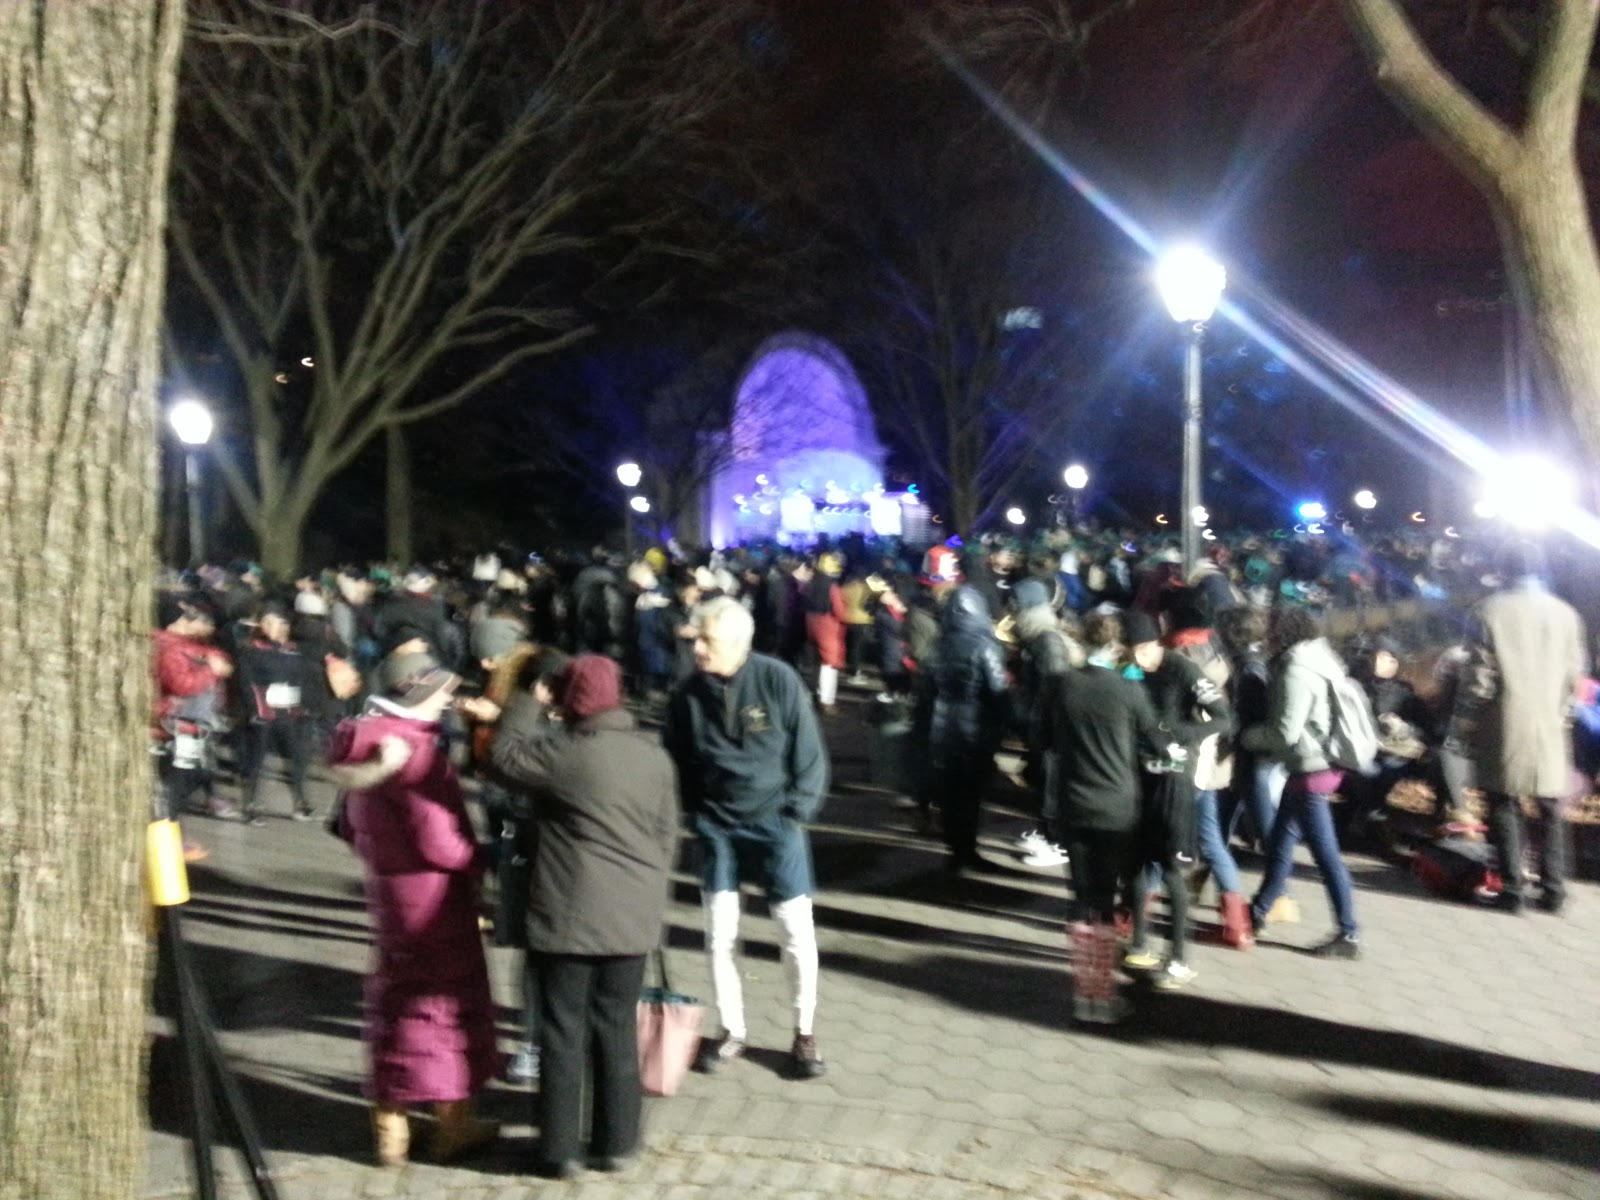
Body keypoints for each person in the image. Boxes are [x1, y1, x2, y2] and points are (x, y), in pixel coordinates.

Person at [490, 655, 678, 1178]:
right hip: (632, 918)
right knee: (616, 1027)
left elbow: (503, 756)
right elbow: (667, 836)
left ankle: (560, 1149)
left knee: (562, 1030)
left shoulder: (564, 755)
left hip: (568, 918)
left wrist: (529, 696)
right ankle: (616, 1143)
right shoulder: (653, 757)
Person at [329, 665, 500, 1168]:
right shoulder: (418, 754)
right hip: (434, 900)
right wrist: (481, 858)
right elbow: (440, 841)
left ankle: (391, 1126)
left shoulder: (366, 745)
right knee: (442, 1005)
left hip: (390, 894)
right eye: (444, 695)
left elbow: (347, 825)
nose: (449, 703)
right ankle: (454, 1124)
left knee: (396, 999)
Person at [663, 596, 830, 1079]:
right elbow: (674, 756)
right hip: (717, 829)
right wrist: (695, 815)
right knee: (719, 937)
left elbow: (808, 752)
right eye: (696, 640)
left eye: (707, 641)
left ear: (738, 643)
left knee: (796, 933)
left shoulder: (777, 680)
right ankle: (731, 1030)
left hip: (776, 825)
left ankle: (804, 1033)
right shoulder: (686, 695)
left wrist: (796, 811)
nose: (697, 650)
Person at [1043, 609, 1162, 1022]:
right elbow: (1156, 741)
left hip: (1073, 804)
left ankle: (1082, 995)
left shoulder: (1063, 685)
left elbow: (1041, 737)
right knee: (1106, 901)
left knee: (1079, 897)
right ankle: (1103, 997)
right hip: (1116, 808)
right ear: (1117, 646)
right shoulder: (1128, 691)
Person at [1466, 541, 1587, 915]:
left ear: (1504, 570)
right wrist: (1564, 713)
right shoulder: (1567, 615)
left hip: (1504, 720)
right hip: (1550, 724)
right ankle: (1554, 891)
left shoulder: (1489, 611)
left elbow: (1478, 678)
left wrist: (1466, 718)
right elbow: (1575, 676)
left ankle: (1513, 891)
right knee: (1550, 808)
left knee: (1503, 803)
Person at [1122, 609, 1236, 986]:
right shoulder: (1128, 671)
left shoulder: (1182, 671)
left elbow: (1223, 717)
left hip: (1175, 781)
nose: (1136, 658)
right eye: (1129, 650)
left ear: (1156, 642)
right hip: (1138, 777)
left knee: (1171, 870)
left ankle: (1179, 959)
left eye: (1141, 649)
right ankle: (1139, 944)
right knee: (1136, 865)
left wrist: (1179, 735)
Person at [1242, 607, 1363, 958]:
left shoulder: (1296, 670)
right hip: (1314, 765)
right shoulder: (1320, 657)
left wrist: (1247, 737)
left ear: (1283, 634)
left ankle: (1349, 933)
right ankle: (1258, 911)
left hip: (1310, 768)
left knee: (1327, 858)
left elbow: (1284, 732)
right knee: (1280, 843)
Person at [927, 585, 1011, 873]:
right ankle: (968, 850)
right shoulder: (985, 646)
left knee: (949, 793)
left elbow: (925, 689)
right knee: (971, 794)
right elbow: (998, 689)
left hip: (941, 726)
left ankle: (955, 851)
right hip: (975, 727)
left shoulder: (937, 644)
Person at [237, 599, 316, 824]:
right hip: (263, 712)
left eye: (278, 623)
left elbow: (301, 681)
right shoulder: (250, 650)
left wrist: (304, 706)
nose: (274, 627)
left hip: (288, 712)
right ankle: (251, 804)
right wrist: (254, 709)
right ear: (260, 625)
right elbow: (245, 682)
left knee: (296, 758)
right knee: (256, 760)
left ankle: (301, 801)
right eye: (268, 622)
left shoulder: (292, 651)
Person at [803, 552, 848, 714]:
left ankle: (813, 693)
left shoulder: (811, 583)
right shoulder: (832, 587)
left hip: (812, 625)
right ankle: (826, 700)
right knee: (829, 665)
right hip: (828, 629)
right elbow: (840, 612)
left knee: (817, 663)